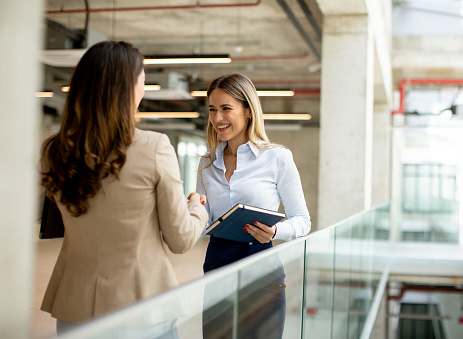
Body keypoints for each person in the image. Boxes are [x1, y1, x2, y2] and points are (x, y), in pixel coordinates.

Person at [39, 41, 208, 337]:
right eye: (142, 79)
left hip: (73, 307)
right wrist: (197, 207)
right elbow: (180, 240)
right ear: (129, 87)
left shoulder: (55, 150)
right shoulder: (155, 147)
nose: (143, 88)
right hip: (142, 309)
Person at [196, 73, 311, 338]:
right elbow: (202, 222)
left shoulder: (277, 158)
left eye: (226, 108)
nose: (217, 118)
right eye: (212, 109)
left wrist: (275, 232)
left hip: (261, 264)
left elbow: (302, 220)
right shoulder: (206, 164)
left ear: (248, 110)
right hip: (217, 264)